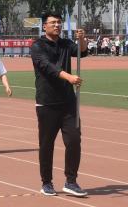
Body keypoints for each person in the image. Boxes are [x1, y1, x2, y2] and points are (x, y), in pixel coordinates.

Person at [30, 11, 87, 197]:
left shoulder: (65, 43)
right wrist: (69, 77)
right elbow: (48, 67)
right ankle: (46, 182)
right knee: (47, 144)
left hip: (68, 102)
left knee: (74, 140)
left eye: (59, 22)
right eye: (53, 22)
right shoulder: (37, 46)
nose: (57, 25)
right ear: (44, 26)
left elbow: (82, 52)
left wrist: (82, 39)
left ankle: (71, 181)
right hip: (47, 103)